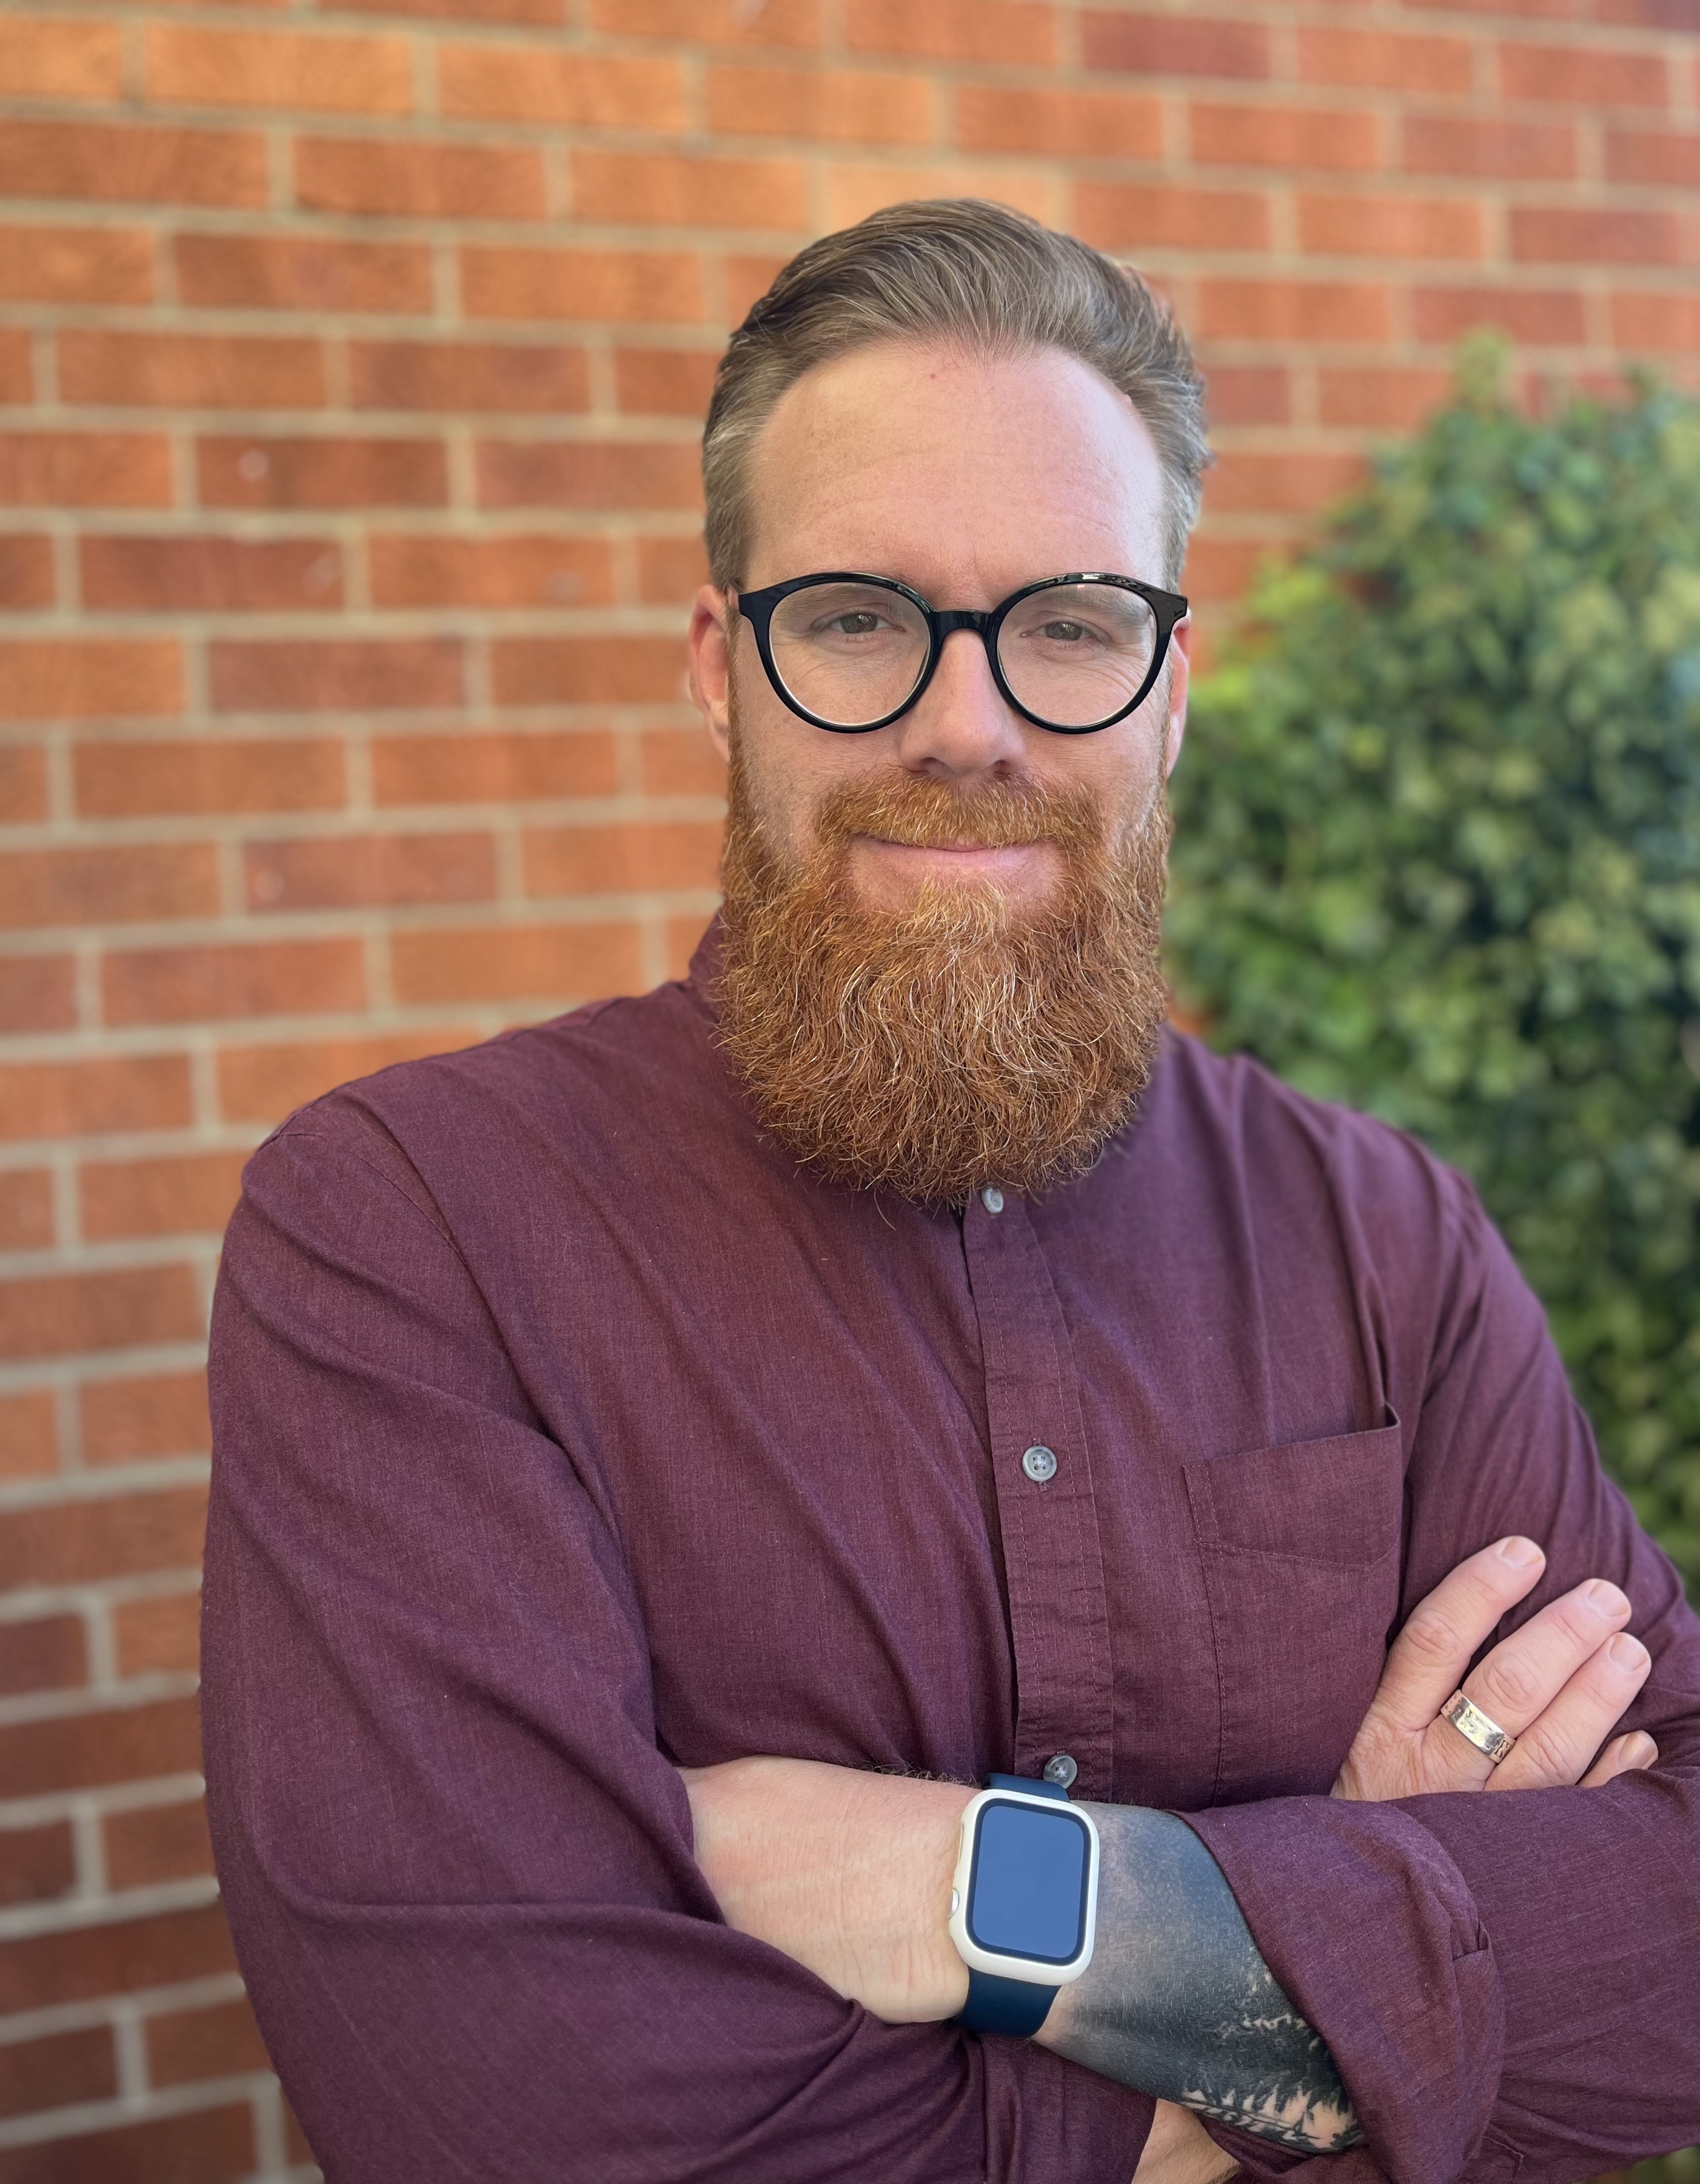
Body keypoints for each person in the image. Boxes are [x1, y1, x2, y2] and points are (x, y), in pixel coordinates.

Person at [201, 203, 1700, 2184]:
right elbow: (506, 2113)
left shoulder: (1381, 1237)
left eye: (1068, 624)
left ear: (1168, 689)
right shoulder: (411, 1231)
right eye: (855, 620)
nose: (964, 722)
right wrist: (1364, 1968)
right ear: (718, 674)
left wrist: (1003, 1896)